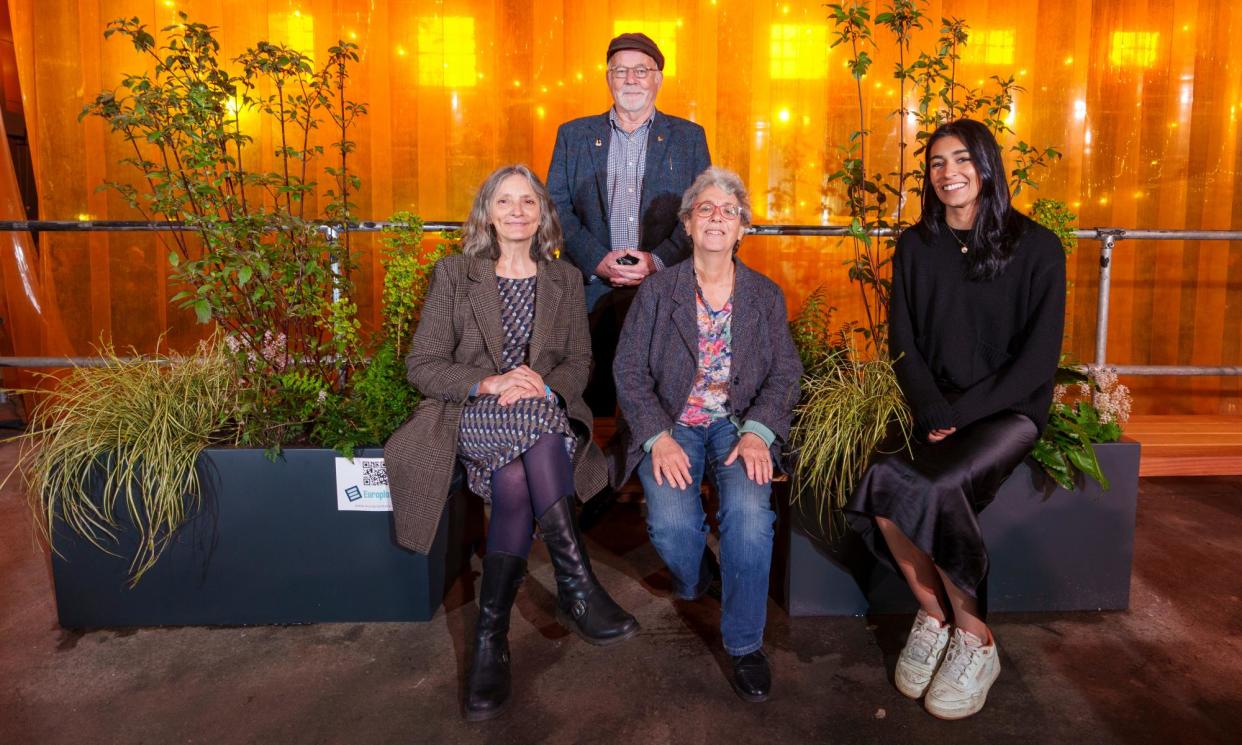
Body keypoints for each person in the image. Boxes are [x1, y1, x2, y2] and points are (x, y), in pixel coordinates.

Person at [384, 165, 639, 722]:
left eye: (529, 201)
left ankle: (489, 637)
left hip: (543, 411)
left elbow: (580, 362)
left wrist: (543, 384)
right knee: (541, 431)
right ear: (488, 212)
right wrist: (492, 382)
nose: (518, 210)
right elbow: (422, 365)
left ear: (543, 214)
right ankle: (579, 585)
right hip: (467, 413)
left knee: (517, 475)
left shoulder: (564, 279)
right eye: (506, 201)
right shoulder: (455, 274)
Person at [845, 119, 1067, 720]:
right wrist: (932, 406)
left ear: (988, 165)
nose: (948, 173)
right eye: (937, 163)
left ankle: (975, 639)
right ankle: (934, 614)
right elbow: (903, 341)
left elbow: (1037, 362)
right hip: (935, 405)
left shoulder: (1039, 247)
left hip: (1008, 410)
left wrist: (963, 412)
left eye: (961, 159)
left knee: (939, 485)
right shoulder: (917, 245)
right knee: (883, 480)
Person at [613, 167, 803, 703]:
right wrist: (657, 437)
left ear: (742, 226)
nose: (717, 217)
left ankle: (744, 646)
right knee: (672, 529)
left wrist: (760, 432)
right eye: (705, 209)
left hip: (736, 425)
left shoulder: (765, 295)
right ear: (689, 224)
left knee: (748, 518)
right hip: (673, 424)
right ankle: (700, 575)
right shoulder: (657, 292)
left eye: (728, 210)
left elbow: (785, 372)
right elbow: (628, 371)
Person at [547, 31, 711, 416]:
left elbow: (701, 210)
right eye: (621, 71)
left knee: (658, 398)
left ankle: (648, 462)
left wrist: (657, 261)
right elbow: (555, 206)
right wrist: (595, 259)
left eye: (642, 70)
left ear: (658, 79)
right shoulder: (574, 135)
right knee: (590, 399)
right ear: (608, 78)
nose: (631, 79)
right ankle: (591, 472)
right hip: (590, 288)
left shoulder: (688, 138)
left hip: (662, 286)